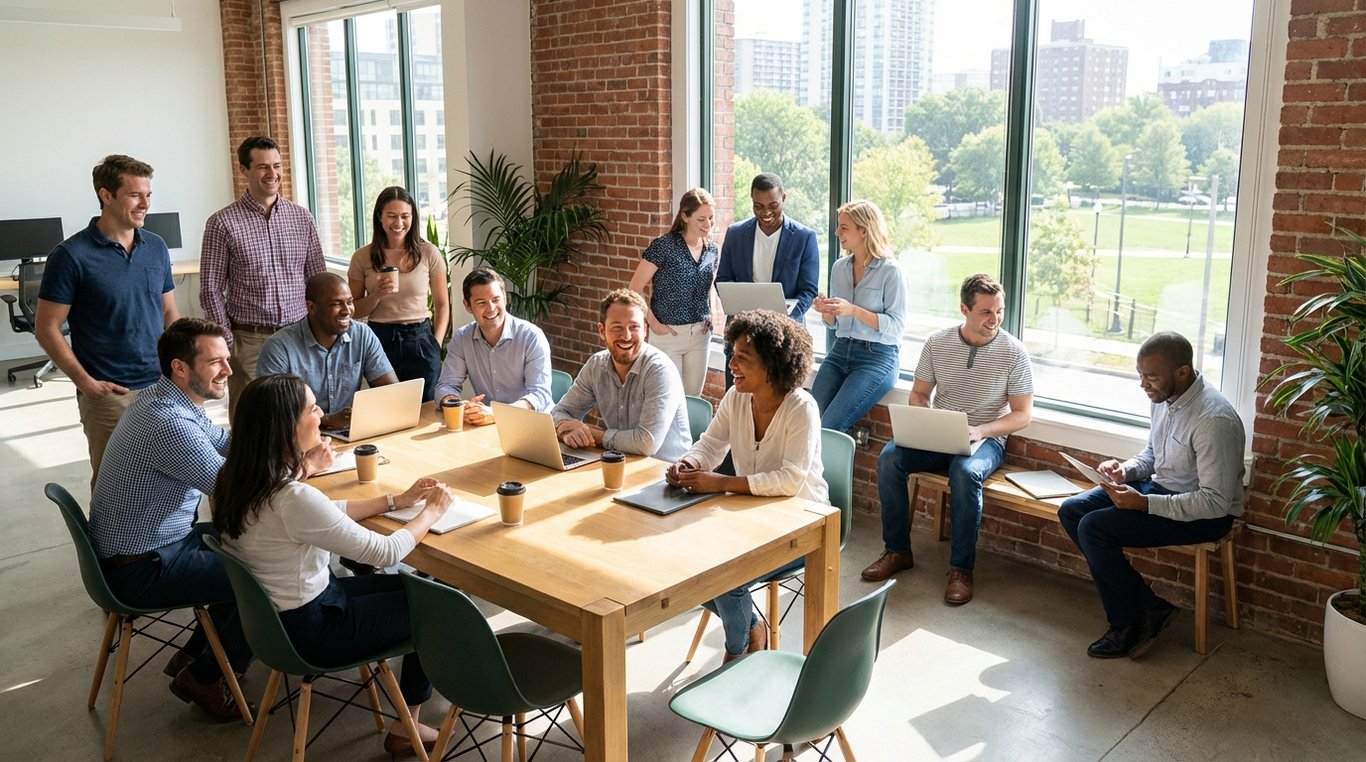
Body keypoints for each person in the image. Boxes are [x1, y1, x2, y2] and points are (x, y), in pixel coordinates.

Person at [213, 374, 453, 755]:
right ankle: (407, 724)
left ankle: (409, 720)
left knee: (426, 590)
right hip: (313, 630)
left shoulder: (237, 479)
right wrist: (431, 512)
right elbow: (387, 553)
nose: (322, 413)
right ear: (287, 427)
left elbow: (323, 514)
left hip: (277, 624)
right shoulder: (290, 497)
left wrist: (395, 501)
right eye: (312, 409)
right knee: (439, 605)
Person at [88, 318, 268, 720]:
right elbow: (233, 488)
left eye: (227, 359)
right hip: (141, 567)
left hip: (150, 546)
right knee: (266, 576)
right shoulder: (169, 423)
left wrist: (281, 432)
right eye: (216, 362)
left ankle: (194, 656)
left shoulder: (169, 401)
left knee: (241, 545)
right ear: (180, 368)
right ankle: (204, 677)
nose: (228, 370)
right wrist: (299, 463)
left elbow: (226, 444)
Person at [1059, 332, 1245, 659]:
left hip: (1205, 516)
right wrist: (1125, 470)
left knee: (1094, 528)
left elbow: (1214, 502)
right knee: (1072, 510)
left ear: (1182, 372)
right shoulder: (1164, 398)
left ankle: (1124, 623)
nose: (1143, 384)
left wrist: (1144, 503)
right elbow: (1153, 454)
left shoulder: (1213, 420)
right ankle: (1149, 605)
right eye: (1140, 375)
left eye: (1151, 376)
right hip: (1161, 491)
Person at [665, 309, 826, 663]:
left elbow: (790, 479)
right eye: (731, 355)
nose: (732, 365)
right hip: (748, 519)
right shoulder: (737, 397)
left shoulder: (801, 408)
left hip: (804, 526)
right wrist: (689, 464)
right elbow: (710, 444)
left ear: (771, 363)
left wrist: (720, 482)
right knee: (681, 559)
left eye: (742, 358)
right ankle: (753, 626)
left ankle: (737, 654)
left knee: (728, 574)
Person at [863, 274, 1034, 607]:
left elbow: (1022, 414)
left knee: (965, 473)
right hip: (937, 434)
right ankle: (897, 551)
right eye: (986, 311)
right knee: (889, 459)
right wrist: (927, 421)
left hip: (986, 439)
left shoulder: (1014, 352)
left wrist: (982, 431)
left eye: (999, 311)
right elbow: (919, 394)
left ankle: (960, 570)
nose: (994, 319)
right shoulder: (937, 342)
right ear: (964, 309)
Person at [36, 154, 179, 488]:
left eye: (148, 195)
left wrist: (177, 371)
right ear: (106, 195)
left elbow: (169, 313)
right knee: (116, 487)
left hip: (161, 387)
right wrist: (86, 384)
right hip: (110, 394)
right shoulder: (71, 256)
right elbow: (46, 328)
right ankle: (108, 543)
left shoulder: (155, 246)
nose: (145, 203)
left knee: (168, 480)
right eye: (135, 195)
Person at [200, 135, 326, 422]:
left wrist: (317, 331)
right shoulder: (222, 223)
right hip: (250, 340)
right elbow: (210, 289)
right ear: (244, 170)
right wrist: (228, 341)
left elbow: (318, 280)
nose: (272, 174)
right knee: (253, 422)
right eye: (262, 167)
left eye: (277, 166)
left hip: (298, 336)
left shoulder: (301, 218)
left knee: (300, 416)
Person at [552, 288, 691, 462]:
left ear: (645, 330)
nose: (626, 336)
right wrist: (564, 427)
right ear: (602, 331)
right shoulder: (596, 365)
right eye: (617, 327)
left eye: (634, 327)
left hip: (665, 474)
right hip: (619, 464)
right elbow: (559, 412)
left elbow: (646, 443)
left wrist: (592, 434)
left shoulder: (659, 370)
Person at [809, 200, 907, 433]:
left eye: (844, 227)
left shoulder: (891, 272)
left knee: (830, 426)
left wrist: (853, 310)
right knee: (809, 420)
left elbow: (895, 327)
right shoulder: (839, 268)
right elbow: (834, 325)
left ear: (864, 230)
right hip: (841, 350)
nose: (836, 232)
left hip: (877, 358)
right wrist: (827, 311)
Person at [716, 173, 820, 387]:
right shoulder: (736, 234)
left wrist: (787, 314)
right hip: (741, 333)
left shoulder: (804, 237)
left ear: (784, 198)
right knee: (736, 400)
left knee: (779, 404)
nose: (766, 212)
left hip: (783, 336)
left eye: (773, 205)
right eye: (758, 206)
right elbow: (723, 279)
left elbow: (808, 290)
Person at [256, 272, 398, 431]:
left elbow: (391, 390)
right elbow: (273, 411)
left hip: (350, 432)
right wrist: (326, 420)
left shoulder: (362, 334)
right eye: (336, 304)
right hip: (298, 436)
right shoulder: (279, 347)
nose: (347, 311)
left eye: (349, 302)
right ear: (311, 307)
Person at [348, 186, 449, 402]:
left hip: (421, 338)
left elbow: (442, 305)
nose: (398, 223)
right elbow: (353, 311)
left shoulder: (428, 252)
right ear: (380, 217)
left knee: (427, 408)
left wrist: (435, 344)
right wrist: (376, 295)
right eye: (391, 216)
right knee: (386, 407)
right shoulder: (362, 257)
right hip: (380, 338)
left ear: (413, 217)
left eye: (405, 216)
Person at [628, 187, 720, 396]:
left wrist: (713, 314)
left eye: (711, 219)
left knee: (692, 399)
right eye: (701, 219)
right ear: (685, 216)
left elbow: (709, 286)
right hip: (668, 333)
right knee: (668, 398)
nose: (708, 225)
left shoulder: (712, 250)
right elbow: (634, 289)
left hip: (700, 334)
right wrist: (653, 323)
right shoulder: (664, 246)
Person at [432, 267, 553, 423]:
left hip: (531, 424)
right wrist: (459, 406)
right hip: (488, 425)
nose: (491, 308)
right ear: (468, 306)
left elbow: (539, 395)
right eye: (481, 302)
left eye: (496, 299)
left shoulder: (531, 337)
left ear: (505, 298)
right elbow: (446, 386)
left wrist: (497, 414)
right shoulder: (462, 338)